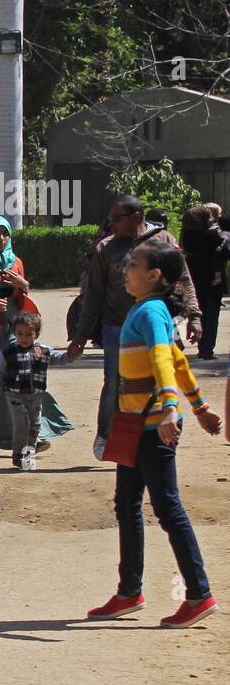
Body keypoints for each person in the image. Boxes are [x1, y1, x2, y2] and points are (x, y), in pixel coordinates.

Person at [87, 241, 222, 628]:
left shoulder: (148, 311)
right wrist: (199, 406)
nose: (125, 269)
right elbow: (179, 360)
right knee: (126, 505)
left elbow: (164, 358)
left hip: (152, 427)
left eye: (134, 264)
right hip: (136, 425)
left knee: (168, 509)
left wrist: (170, 409)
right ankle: (129, 592)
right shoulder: (148, 309)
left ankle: (198, 594)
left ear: (154, 276)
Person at [69, 195, 202, 460]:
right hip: (117, 327)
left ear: (136, 217)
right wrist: (80, 336)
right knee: (115, 384)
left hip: (158, 324)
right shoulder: (106, 248)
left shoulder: (162, 241)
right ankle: (107, 436)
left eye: (116, 219)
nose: (111, 224)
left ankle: (164, 427)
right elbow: (93, 295)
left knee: (163, 375)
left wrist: (195, 316)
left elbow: (184, 279)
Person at [0, 215, 72, 455]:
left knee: (26, 375)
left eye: (5, 234)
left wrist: (22, 284)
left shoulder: (16, 262)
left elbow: (21, 300)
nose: (0, 239)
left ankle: (36, 434)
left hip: (14, 328)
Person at [0, 311, 75, 470]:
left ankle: (28, 456)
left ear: (37, 334)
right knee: (21, 422)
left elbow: (60, 358)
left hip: (35, 397)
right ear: (14, 333)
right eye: (20, 334)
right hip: (14, 395)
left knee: (34, 426)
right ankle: (17, 453)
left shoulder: (41, 351)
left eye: (29, 334)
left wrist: (73, 354)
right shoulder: (7, 352)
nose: (24, 338)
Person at [180, 203, 229, 360]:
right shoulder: (213, 232)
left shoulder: (187, 232)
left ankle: (201, 344)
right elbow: (224, 252)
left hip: (194, 274)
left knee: (198, 310)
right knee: (211, 314)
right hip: (212, 277)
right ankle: (206, 349)